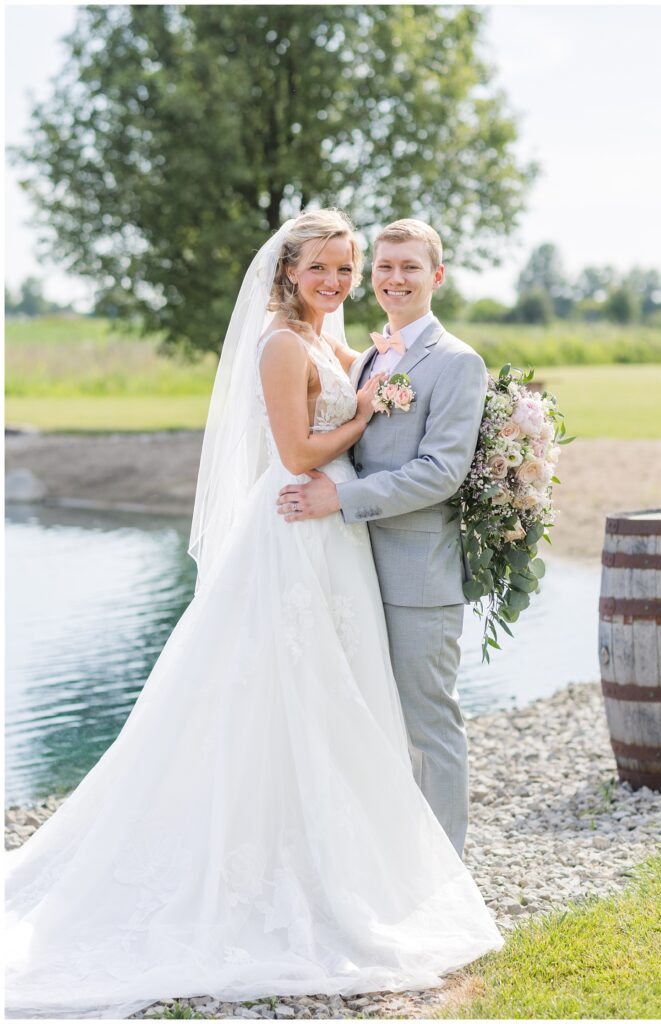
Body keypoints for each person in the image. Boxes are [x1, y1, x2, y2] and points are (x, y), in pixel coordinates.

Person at [5, 210, 502, 1020]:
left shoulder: (347, 342)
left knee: (345, 703)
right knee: (282, 697)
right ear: (286, 272)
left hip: (338, 540)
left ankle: (371, 864)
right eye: (325, 269)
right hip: (299, 529)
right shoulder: (281, 342)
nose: (339, 281)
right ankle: (282, 868)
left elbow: (388, 417)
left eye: (348, 267)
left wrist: (366, 407)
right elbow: (301, 452)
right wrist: (366, 413)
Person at [277, 219, 487, 858]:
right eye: (385, 268)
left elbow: (441, 473)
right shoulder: (370, 356)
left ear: (437, 277)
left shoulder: (456, 362)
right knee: (371, 722)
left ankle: (446, 871)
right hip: (356, 565)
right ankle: (392, 860)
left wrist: (340, 498)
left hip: (418, 573)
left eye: (410, 268)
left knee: (429, 725)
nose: (395, 280)